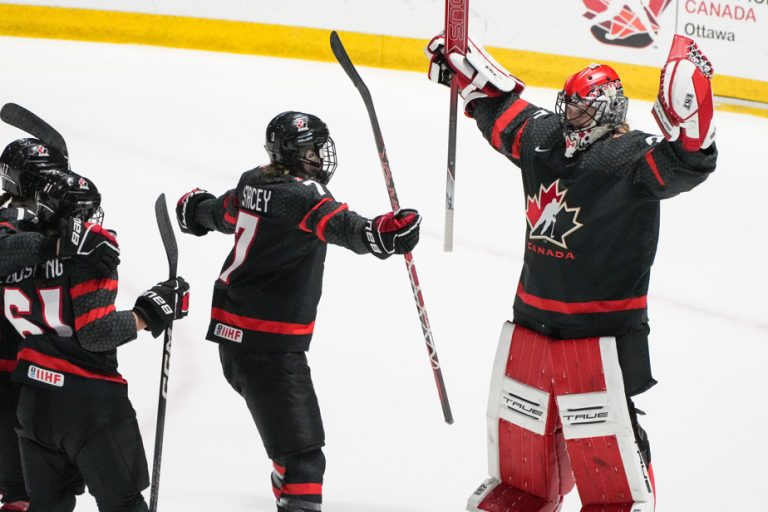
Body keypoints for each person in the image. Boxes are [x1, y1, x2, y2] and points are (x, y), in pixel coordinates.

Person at [425, 34, 717, 512]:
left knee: (606, 434)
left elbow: (689, 162)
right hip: (532, 317)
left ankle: (621, 498)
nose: (569, 117)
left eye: (581, 110)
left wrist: (694, 125)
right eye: (568, 106)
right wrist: (466, 81)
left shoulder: (631, 159)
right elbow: (503, 114)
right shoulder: (546, 140)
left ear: (606, 111)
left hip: (601, 331)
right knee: (525, 427)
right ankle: (529, 492)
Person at [175, 111, 421, 512]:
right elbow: (342, 227)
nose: (320, 158)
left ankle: (284, 476)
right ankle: (291, 487)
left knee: (289, 447)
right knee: (305, 460)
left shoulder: (253, 179)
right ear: (295, 153)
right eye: (312, 150)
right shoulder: (305, 195)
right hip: (268, 348)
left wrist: (195, 210)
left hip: (234, 338)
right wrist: (379, 235)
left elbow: (222, 213)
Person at [1, 169, 189, 512]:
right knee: (124, 506)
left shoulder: (17, 246)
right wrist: (149, 312)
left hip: (33, 401)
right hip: (89, 404)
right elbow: (96, 333)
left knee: (47, 505)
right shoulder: (94, 248)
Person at [0, 138, 120, 512]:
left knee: (26, 490)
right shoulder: (30, 230)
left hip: (28, 371)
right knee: (35, 486)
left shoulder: (20, 220)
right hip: (26, 373)